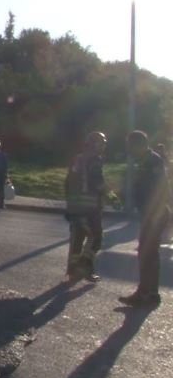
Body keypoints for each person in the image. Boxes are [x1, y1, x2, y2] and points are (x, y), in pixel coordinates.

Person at [119, 131, 172, 306]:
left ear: (139, 144)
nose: (128, 148)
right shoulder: (142, 161)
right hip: (149, 213)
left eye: (130, 144)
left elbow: (162, 187)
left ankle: (148, 294)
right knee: (146, 253)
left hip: (155, 214)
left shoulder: (153, 161)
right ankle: (147, 292)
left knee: (148, 254)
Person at [64, 132, 108, 282]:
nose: (103, 146)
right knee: (96, 238)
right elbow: (98, 183)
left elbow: (68, 182)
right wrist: (113, 197)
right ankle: (84, 268)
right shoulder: (94, 160)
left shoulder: (78, 159)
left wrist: (69, 206)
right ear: (94, 144)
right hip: (90, 207)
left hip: (75, 206)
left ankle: (73, 271)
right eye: (101, 143)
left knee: (77, 238)